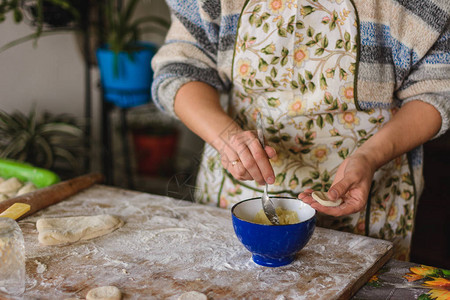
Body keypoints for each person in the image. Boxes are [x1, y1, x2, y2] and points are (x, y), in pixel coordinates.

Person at [151, 0, 450, 260]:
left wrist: (370, 157)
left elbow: (437, 90)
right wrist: (227, 138)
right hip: (236, 188)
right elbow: (182, 68)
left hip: (368, 199)